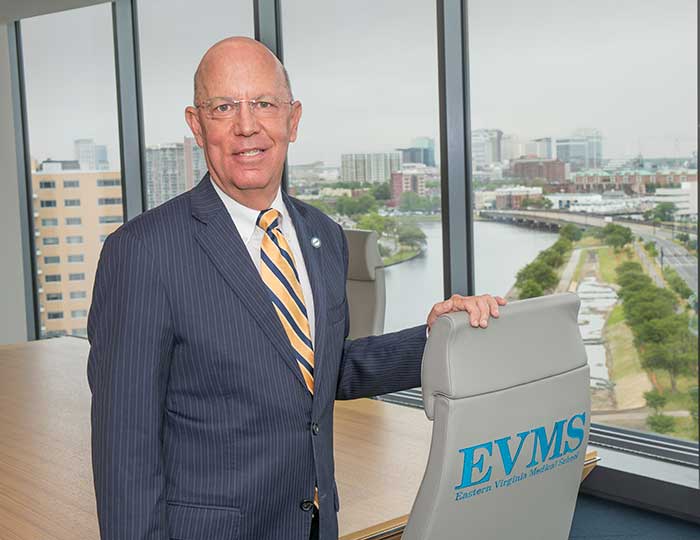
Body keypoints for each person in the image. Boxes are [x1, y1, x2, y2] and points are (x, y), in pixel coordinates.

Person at [87, 36, 506, 540]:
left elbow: (322, 370)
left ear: (293, 118)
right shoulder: (142, 252)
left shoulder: (324, 237)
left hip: (311, 524)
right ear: (197, 126)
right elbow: (124, 447)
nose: (247, 126)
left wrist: (435, 336)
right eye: (224, 107)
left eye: (264, 104)